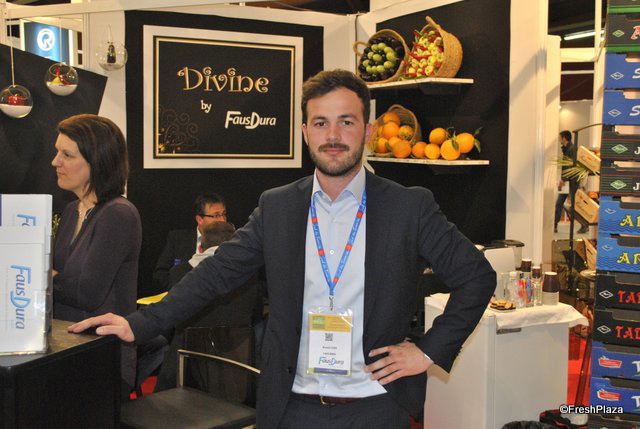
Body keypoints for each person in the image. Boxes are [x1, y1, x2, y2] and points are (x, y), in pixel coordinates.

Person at [69, 70, 495, 429]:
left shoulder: (409, 207)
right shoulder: (278, 207)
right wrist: (140, 323)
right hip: (292, 407)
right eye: (321, 123)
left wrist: (427, 350)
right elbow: (216, 273)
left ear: (367, 131)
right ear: (305, 131)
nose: (333, 136)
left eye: (346, 122)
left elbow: (477, 277)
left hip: (376, 407)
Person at [51, 114, 141, 398]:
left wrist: (44, 275)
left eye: (67, 155)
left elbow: (87, 293)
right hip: (66, 350)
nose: (55, 162)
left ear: (97, 162)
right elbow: (66, 282)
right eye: (58, 152)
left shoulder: (118, 214)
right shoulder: (71, 211)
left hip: (101, 361)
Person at [154, 221, 261, 392]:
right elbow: (256, 318)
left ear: (200, 247)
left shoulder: (178, 273)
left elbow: (172, 319)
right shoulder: (251, 278)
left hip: (184, 371)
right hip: (237, 371)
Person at [152, 192, 227, 293]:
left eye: (224, 214)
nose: (223, 220)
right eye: (216, 215)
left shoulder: (230, 240)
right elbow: (160, 275)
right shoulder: (178, 239)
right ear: (199, 219)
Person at [554, 130, 587, 234]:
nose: (559, 139)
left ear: (564, 138)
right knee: (559, 203)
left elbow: (570, 166)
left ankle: (584, 224)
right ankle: (555, 225)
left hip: (572, 182)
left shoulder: (572, 149)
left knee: (574, 205)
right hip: (567, 182)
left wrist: (563, 180)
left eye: (560, 137)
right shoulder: (566, 149)